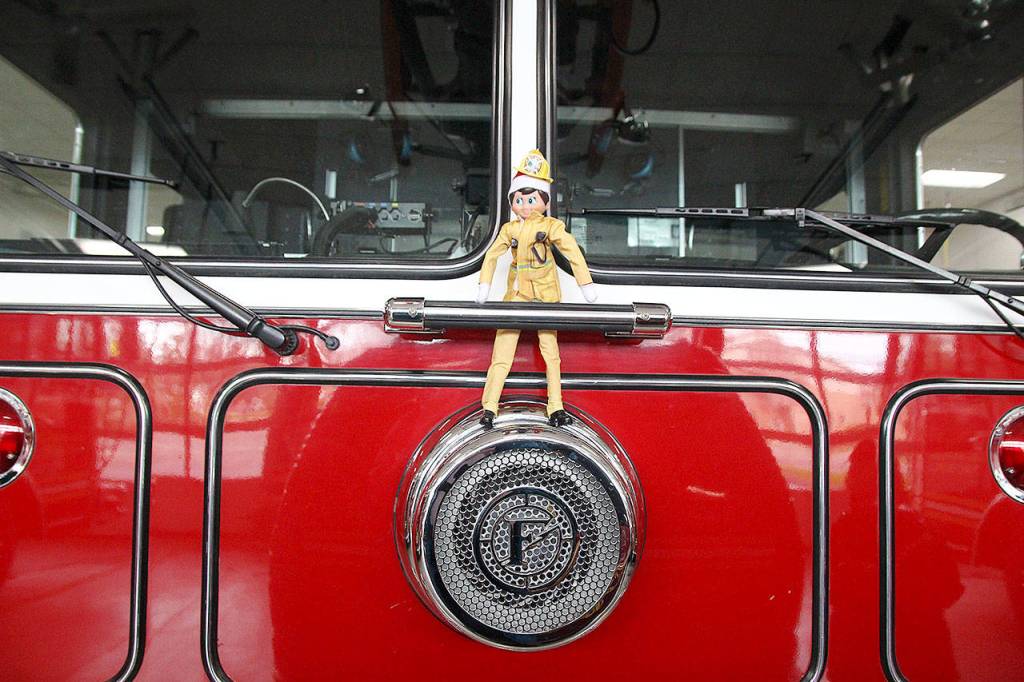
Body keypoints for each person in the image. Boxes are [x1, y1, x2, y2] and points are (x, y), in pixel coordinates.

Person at [475, 149, 597, 427]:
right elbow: (492, 255)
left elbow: (572, 251)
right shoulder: (509, 230)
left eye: (531, 199)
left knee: (551, 354)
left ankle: (555, 405)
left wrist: (585, 283)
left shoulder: (551, 226)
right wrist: (484, 284)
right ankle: (489, 406)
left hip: (545, 296)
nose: (525, 205)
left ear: (544, 201)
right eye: (519, 199)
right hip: (516, 296)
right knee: (501, 354)